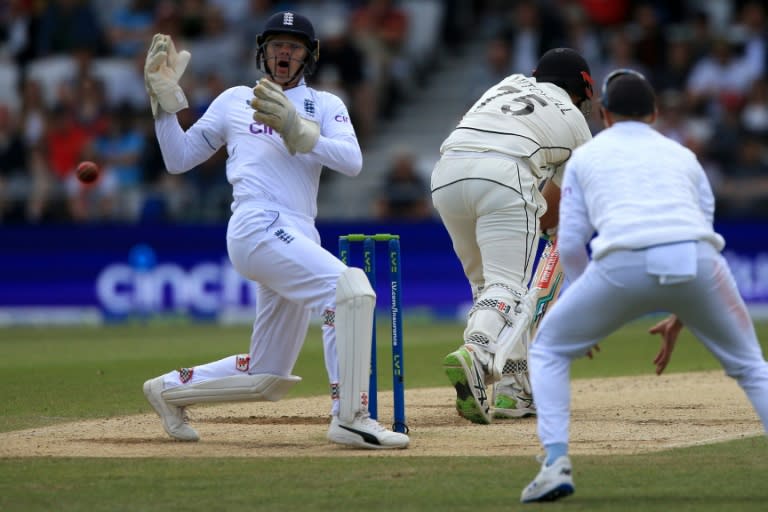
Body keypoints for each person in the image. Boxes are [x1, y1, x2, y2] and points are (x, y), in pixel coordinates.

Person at [141, 11, 409, 450]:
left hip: (298, 232)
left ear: (309, 55)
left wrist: (300, 132)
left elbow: (352, 161)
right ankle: (351, 417)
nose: (285, 52)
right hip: (257, 223)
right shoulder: (233, 100)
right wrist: (164, 106)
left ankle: (169, 390)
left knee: (267, 375)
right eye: (277, 44)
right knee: (350, 292)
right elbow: (178, 158)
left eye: (295, 45)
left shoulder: (325, 104)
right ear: (262, 52)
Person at [520, 70, 768, 503]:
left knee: (549, 349)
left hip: (623, 263)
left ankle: (555, 463)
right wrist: (685, 308)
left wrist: (580, 298)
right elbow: (700, 229)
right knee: (751, 367)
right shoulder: (683, 156)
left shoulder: (587, 157)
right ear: (654, 113)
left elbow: (572, 242)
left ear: (604, 114)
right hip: (698, 261)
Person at [430, 48, 595, 424]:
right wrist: (551, 234)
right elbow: (563, 207)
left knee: (486, 287)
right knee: (510, 288)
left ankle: (513, 391)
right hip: (503, 176)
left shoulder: (505, 85)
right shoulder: (575, 123)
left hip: (447, 173)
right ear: (581, 90)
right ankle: (477, 355)